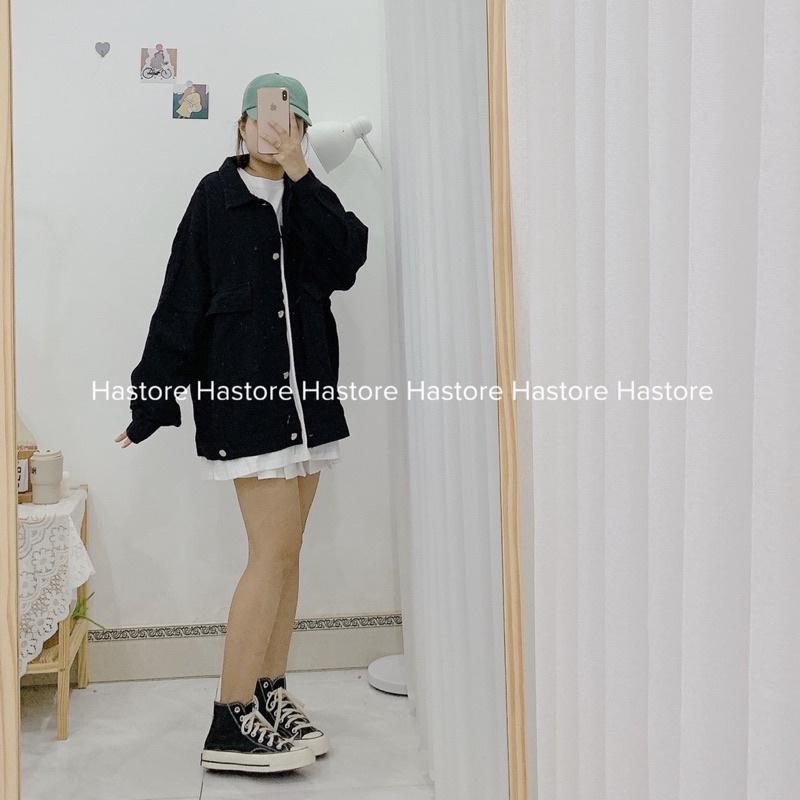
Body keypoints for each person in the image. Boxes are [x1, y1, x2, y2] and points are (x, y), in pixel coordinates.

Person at [115, 73, 369, 774]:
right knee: (270, 555)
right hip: (246, 406)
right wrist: (151, 401)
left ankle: (268, 692)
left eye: (292, 122)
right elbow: (181, 299)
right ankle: (229, 719)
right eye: (266, 116)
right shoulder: (215, 198)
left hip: (309, 407)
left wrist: (303, 174)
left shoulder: (308, 198)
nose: (277, 129)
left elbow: (346, 260)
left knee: (288, 558)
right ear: (242, 125)